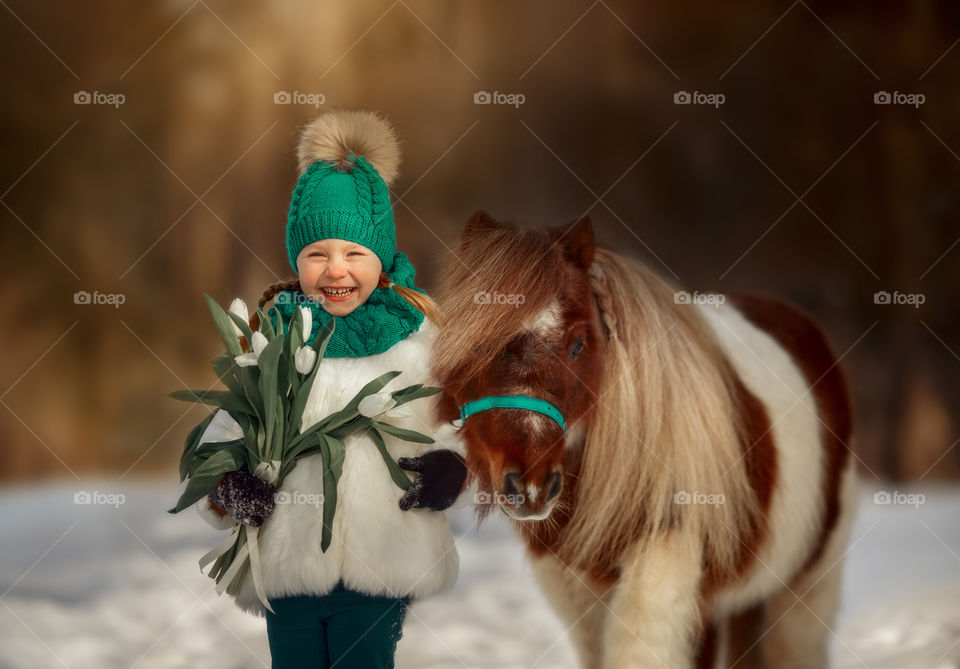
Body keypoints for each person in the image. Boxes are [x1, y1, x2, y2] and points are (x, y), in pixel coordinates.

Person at [191, 110, 468, 668]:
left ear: (382, 258)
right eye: (317, 253)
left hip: (381, 561)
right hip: (287, 566)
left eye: (354, 253)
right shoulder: (272, 340)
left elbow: (454, 424)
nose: (335, 269)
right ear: (297, 260)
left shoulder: (416, 342)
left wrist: (450, 466)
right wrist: (226, 488)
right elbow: (222, 437)